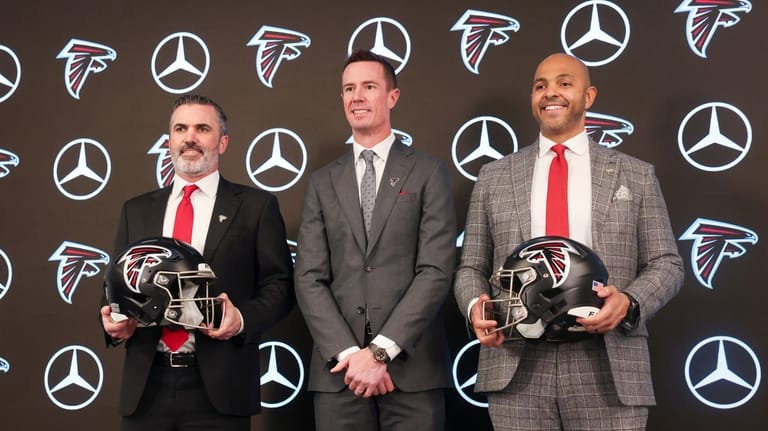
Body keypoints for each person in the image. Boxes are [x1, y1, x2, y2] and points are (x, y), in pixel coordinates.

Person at [454, 53, 684, 431]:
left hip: (608, 366)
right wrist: (473, 305)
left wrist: (629, 302)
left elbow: (667, 263)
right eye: (540, 85)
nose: (550, 93)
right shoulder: (493, 177)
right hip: (517, 363)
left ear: (588, 96)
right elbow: (471, 268)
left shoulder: (636, 175)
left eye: (564, 83)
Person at [99, 94, 294, 430]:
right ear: (170, 140)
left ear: (223, 142)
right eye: (180, 129)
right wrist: (115, 321)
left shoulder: (256, 207)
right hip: (146, 387)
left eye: (202, 128)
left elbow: (281, 286)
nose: (189, 137)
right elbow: (116, 282)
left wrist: (242, 318)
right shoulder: (137, 210)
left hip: (220, 390)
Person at [294, 50, 457, 431]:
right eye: (349, 89)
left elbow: (435, 271)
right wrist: (354, 356)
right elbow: (308, 277)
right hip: (341, 374)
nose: (357, 97)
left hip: (412, 372)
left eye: (369, 86)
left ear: (392, 97)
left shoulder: (428, 172)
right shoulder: (321, 182)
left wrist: (381, 352)